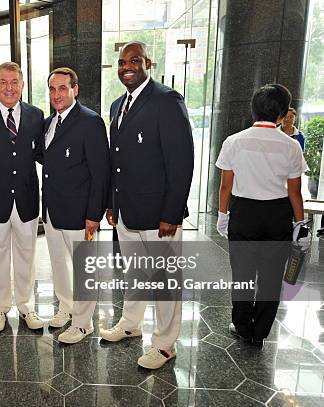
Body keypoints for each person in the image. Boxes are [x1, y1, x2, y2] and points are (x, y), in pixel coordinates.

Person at [102, 42, 194, 369]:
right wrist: (113, 204)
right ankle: (130, 323)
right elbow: (117, 162)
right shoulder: (116, 105)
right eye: (122, 62)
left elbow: (181, 161)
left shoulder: (167, 100)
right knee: (135, 273)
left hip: (159, 216)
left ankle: (166, 344)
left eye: (135, 61)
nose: (127, 66)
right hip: (126, 212)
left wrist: (171, 213)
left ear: (148, 63)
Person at [216, 84, 307, 347]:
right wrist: (299, 223)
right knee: (271, 277)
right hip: (277, 214)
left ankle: (243, 326)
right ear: (282, 114)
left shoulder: (234, 141)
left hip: (244, 212)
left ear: (253, 109)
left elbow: (225, 186)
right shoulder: (291, 146)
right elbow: (295, 192)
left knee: (242, 274)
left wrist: (223, 215)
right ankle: (260, 332)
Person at [40, 67, 110, 344]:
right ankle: (66, 306)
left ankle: (83, 323)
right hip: (53, 211)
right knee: (58, 264)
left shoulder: (90, 122)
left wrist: (94, 214)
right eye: (53, 89)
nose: (57, 94)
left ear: (75, 89)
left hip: (81, 214)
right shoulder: (48, 123)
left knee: (84, 268)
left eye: (63, 88)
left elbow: (100, 173)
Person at [0, 62, 45, 332]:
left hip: (27, 199)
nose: (8, 87)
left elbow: (43, 153)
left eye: (14, 82)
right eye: (3, 82)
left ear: (22, 85)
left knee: (27, 255)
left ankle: (26, 305)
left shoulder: (36, 115)